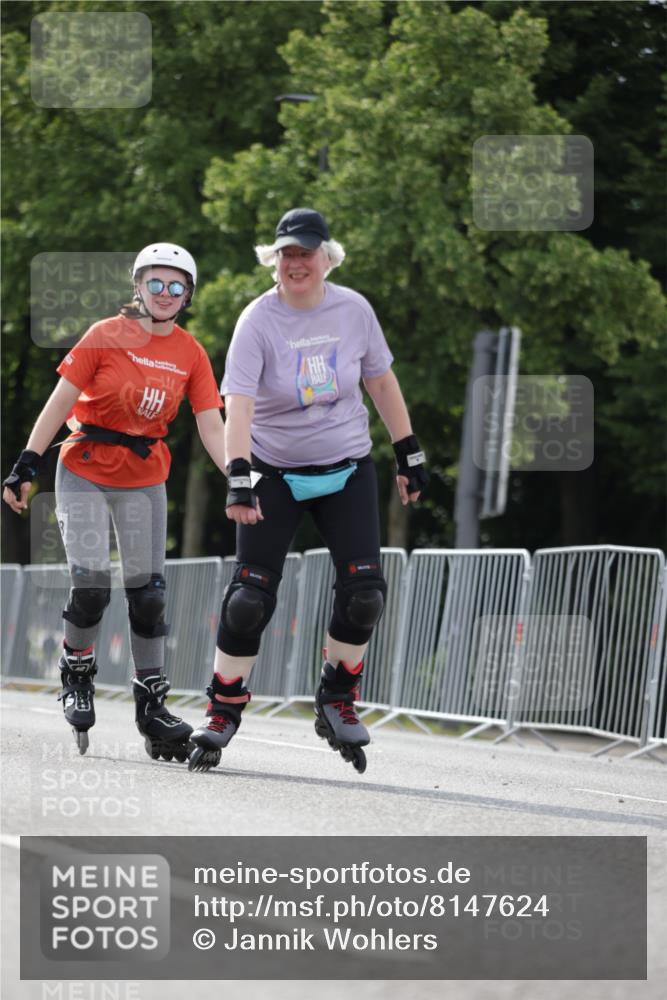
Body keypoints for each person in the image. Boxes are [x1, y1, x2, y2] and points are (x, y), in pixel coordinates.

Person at [188, 208, 428, 774]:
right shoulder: (257, 319)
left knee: (365, 593)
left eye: (306, 253)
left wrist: (409, 451)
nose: (296, 263)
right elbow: (238, 404)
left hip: (346, 467)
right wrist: (239, 475)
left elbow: (380, 380)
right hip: (274, 470)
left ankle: (336, 698)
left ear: (327, 257)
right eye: (287, 254)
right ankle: (223, 709)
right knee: (249, 599)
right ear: (274, 260)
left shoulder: (354, 310)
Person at [3, 243, 226, 760]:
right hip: (84, 467)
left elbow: (212, 425)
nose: (165, 293)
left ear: (188, 295)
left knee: (148, 595)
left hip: (145, 476)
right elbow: (60, 401)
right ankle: (77, 671)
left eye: (176, 286)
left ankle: (152, 705)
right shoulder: (105, 334)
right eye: (156, 283)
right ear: (138, 287)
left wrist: (242, 476)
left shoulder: (191, 353)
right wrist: (26, 462)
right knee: (92, 585)